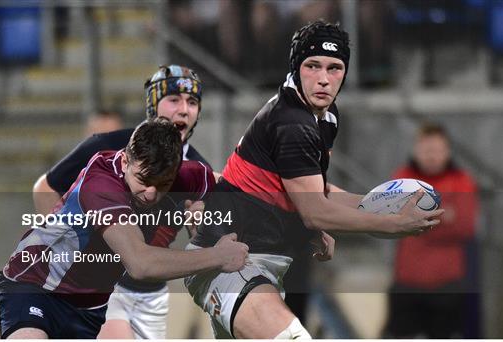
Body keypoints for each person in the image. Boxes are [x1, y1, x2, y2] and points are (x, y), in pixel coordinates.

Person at [185, 20, 444, 339]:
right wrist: (393, 224)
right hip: (226, 260)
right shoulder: (293, 123)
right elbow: (314, 209)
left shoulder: (324, 116)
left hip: (256, 263)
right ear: (295, 68)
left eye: (335, 68)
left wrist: (378, 205)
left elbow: (315, 194)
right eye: (313, 65)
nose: (324, 78)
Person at [0, 119, 248, 339]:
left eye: (163, 183)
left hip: (90, 308)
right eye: (143, 180)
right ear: (126, 160)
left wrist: (206, 209)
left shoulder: (184, 175)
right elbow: (140, 264)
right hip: (34, 286)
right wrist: (219, 256)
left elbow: (232, 190)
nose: (151, 193)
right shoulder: (101, 183)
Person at [32, 65, 213, 339]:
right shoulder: (107, 144)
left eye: (192, 102)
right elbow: (44, 188)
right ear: (153, 105)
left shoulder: (200, 169)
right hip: (103, 286)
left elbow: (201, 228)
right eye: (174, 100)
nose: (184, 110)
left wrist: (201, 224)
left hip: (152, 293)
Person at [382, 122, 479, 338]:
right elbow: (391, 220)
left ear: (447, 152)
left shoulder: (462, 181)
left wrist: (416, 218)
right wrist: (444, 214)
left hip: (447, 286)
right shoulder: (402, 176)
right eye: (427, 150)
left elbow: (465, 227)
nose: (431, 156)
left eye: (437, 150)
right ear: (416, 150)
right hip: (407, 283)